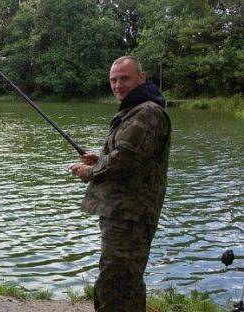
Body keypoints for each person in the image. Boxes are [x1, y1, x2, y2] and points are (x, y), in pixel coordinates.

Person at [71, 56, 171, 311]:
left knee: (114, 284)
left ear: (142, 77)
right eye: (113, 80)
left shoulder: (147, 111)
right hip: (126, 213)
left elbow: (126, 159)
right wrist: (101, 157)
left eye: (124, 78)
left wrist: (91, 171)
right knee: (128, 283)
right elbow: (130, 154)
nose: (118, 85)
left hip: (130, 215)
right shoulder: (136, 109)